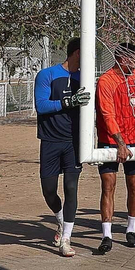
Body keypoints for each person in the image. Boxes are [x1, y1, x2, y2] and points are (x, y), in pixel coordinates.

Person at [34, 38, 90, 258]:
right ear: (77, 53)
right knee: (49, 190)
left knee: (71, 188)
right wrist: (68, 102)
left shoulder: (84, 78)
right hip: (50, 140)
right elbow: (41, 105)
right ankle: (59, 219)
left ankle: (66, 239)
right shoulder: (47, 75)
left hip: (73, 142)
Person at [94, 41, 135, 255]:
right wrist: (120, 143)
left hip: (134, 139)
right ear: (123, 59)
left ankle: (131, 230)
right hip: (111, 140)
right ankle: (106, 235)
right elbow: (107, 114)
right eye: (134, 60)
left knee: (134, 185)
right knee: (108, 185)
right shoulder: (107, 81)